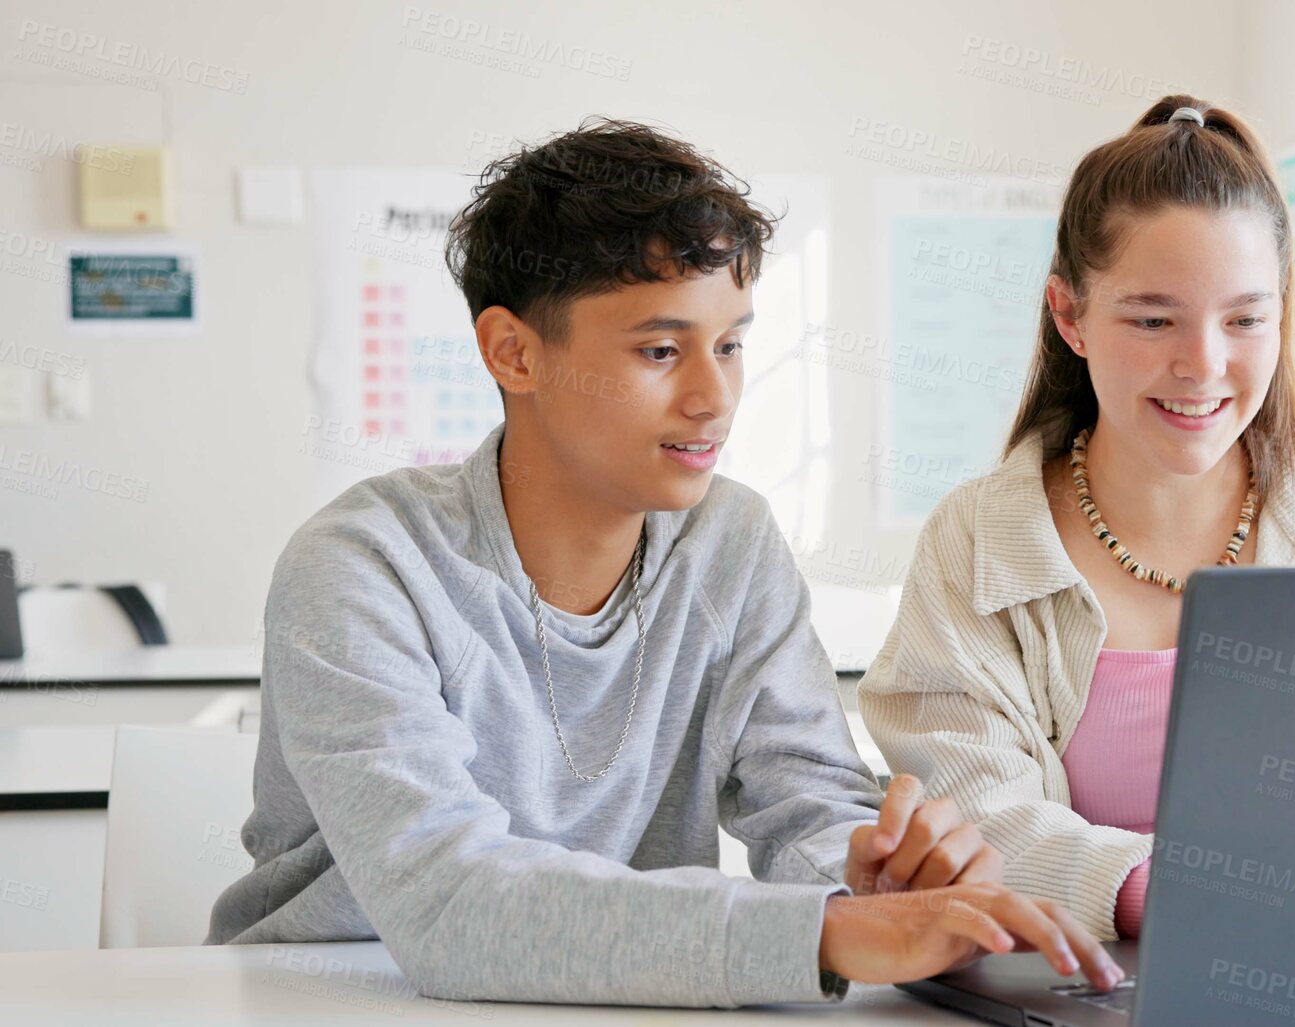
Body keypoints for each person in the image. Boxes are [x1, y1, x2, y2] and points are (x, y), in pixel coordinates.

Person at [206, 117, 1122, 1006]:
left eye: (728, 345)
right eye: (659, 349)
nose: (712, 396)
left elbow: (804, 797)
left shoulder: (732, 543)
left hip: (617, 998)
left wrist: (867, 874)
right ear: (512, 351)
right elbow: (446, 898)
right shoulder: (363, 566)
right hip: (332, 996)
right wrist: (823, 934)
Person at [859, 95, 1295, 942]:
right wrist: (1173, 894)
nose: (1204, 365)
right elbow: (974, 820)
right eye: (1153, 320)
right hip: (1099, 970)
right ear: (1069, 315)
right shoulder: (975, 541)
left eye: (1245, 319)